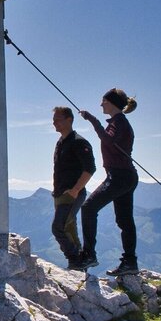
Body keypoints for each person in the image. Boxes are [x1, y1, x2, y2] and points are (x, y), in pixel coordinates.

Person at [73, 88, 139, 275]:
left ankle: (89, 255)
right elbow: (110, 139)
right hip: (125, 176)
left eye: (103, 101)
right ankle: (130, 262)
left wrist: (92, 120)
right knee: (125, 220)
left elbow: (108, 141)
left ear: (111, 103)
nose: (101, 104)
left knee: (88, 208)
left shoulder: (120, 123)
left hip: (119, 177)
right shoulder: (119, 122)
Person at [50, 106, 96, 270]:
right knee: (68, 228)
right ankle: (77, 263)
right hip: (61, 193)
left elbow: (90, 168)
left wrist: (76, 190)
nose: (54, 122)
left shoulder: (78, 142)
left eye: (57, 119)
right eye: (54, 119)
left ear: (69, 120)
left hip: (72, 193)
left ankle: (77, 259)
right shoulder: (61, 143)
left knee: (58, 227)